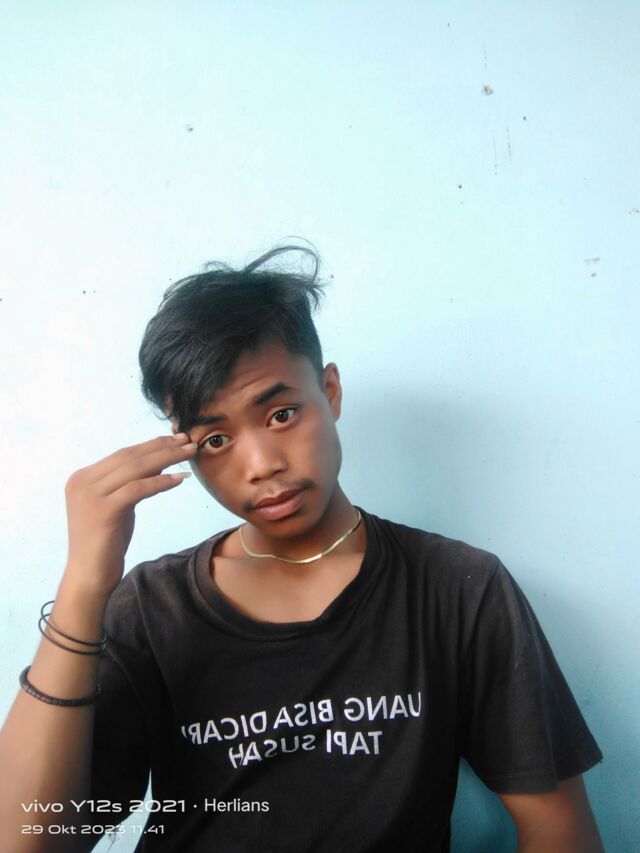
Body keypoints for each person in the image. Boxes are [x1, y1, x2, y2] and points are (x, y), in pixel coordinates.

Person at [0, 244, 604, 852]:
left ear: (330, 391)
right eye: (215, 439)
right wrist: (84, 586)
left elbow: (559, 831)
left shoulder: (457, 589)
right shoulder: (154, 608)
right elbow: (28, 840)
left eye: (282, 413)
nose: (261, 464)